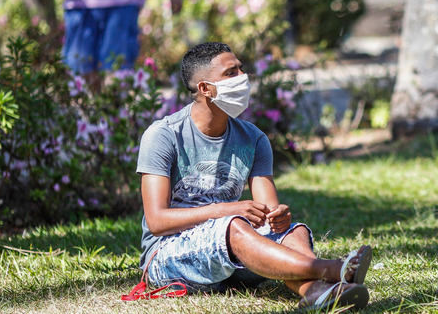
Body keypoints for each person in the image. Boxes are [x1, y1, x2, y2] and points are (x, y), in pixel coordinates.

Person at [135, 42, 372, 310]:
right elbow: (157, 221)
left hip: (230, 259)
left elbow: (271, 214)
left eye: (241, 69)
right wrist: (226, 210)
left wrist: (278, 216)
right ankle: (332, 269)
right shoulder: (164, 135)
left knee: (294, 233)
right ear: (204, 89)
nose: (242, 78)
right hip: (167, 257)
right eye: (230, 73)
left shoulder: (254, 138)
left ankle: (315, 292)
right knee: (234, 224)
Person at [47, 0, 183, 78]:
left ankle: (111, 109)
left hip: (123, 3)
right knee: (79, 72)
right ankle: (86, 109)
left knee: (117, 72)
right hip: (81, 2)